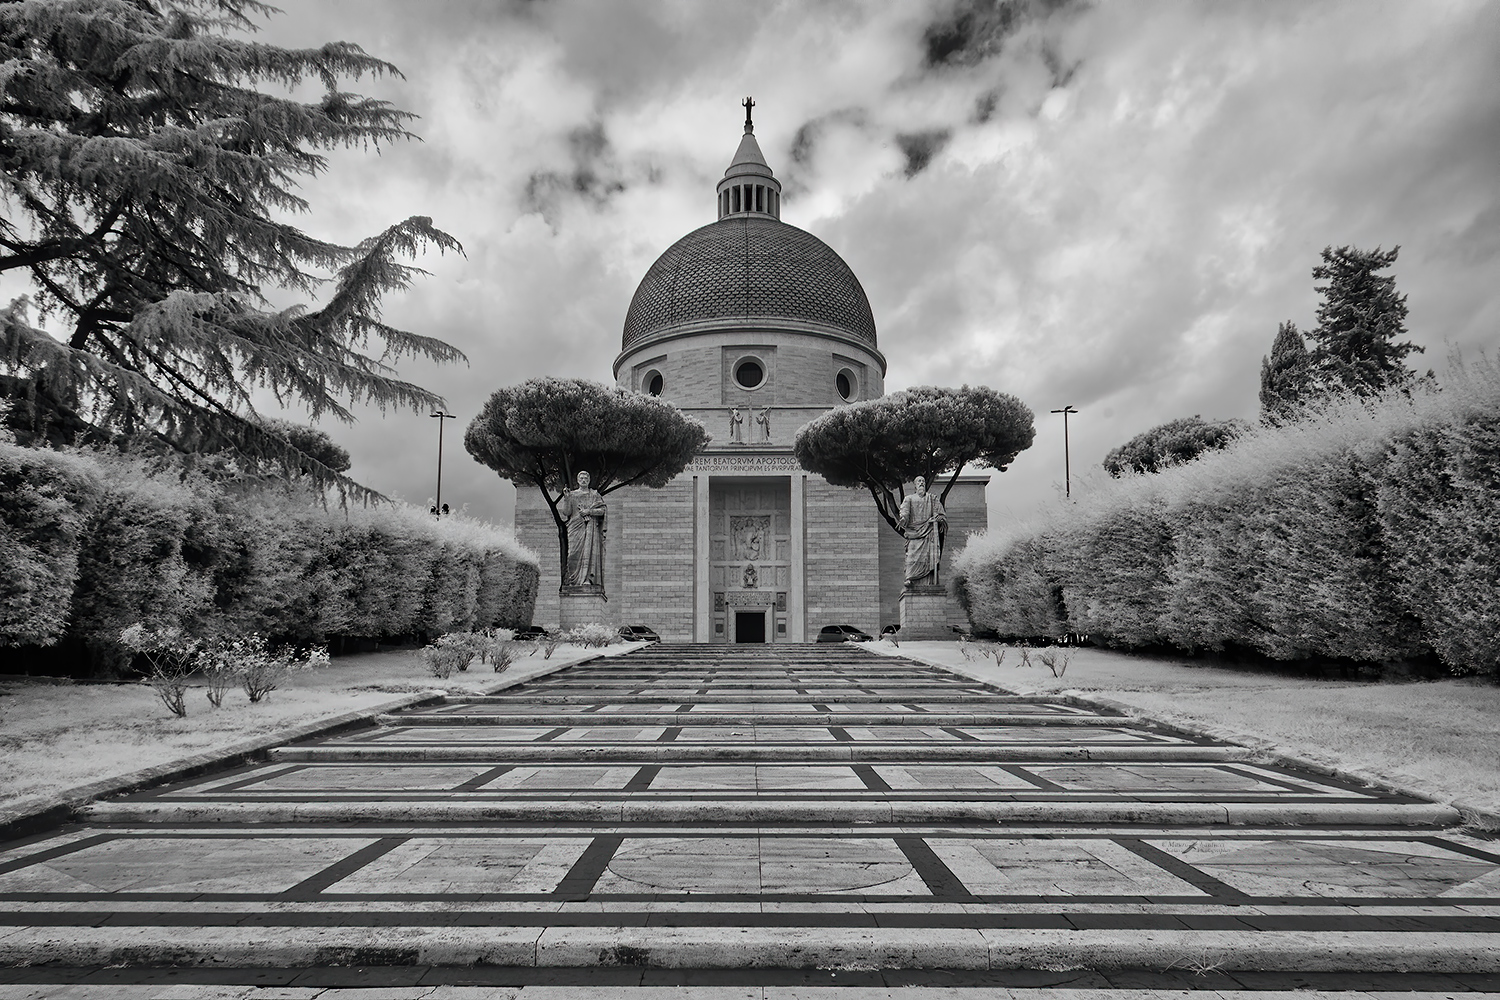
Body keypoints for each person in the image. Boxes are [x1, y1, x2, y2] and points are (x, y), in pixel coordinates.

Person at [896, 476, 946, 587]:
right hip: (914, 533)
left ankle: (929, 582)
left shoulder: (932, 498)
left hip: (929, 533)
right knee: (911, 557)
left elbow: (941, 514)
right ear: (915, 485)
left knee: (927, 559)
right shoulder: (909, 498)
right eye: (919, 481)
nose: (921, 483)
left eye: (923, 481)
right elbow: (905, 512)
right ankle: (910, 578)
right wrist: (903, 519)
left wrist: (939, 518)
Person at [559, 470, 606, 587]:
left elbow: (602, 511)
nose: (584, 480)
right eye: (581, 478)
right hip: (575, 527)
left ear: (589, 480)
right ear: (578, 480)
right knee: (572, 555)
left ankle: (587, 579)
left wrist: (589, 511)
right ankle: (573, 581)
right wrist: (566, 498)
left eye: (586, 478)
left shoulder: (594, 495)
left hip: (590, 527)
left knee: (588, 553)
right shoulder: (572, 495)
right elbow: (566, 512)